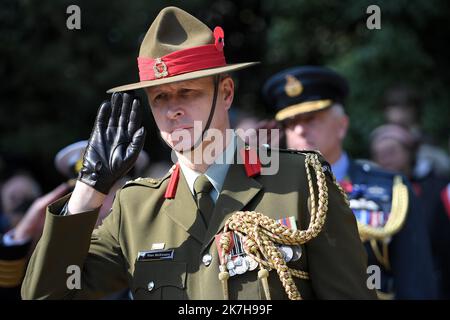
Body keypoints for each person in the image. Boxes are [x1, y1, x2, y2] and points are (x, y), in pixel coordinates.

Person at [22, 7, 375, 300]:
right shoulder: (135, 209)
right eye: (160, 97)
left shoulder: (301, 183)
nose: (172, 109)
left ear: (226, 93)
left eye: (187, 92)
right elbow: (44, 295)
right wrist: (88, 191)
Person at [262, 65, 437, 299]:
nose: (301, 130)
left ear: (342, 126)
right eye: (291, 123)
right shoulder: (272, 193)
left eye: (311, 119)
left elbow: (416, 284)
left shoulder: (391, 191)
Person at [370, 124, 450, 299]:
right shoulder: (367, 196)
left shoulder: (438, 188)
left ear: (409, 152)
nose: (385, 159)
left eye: (391, 151)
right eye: (379, 154)